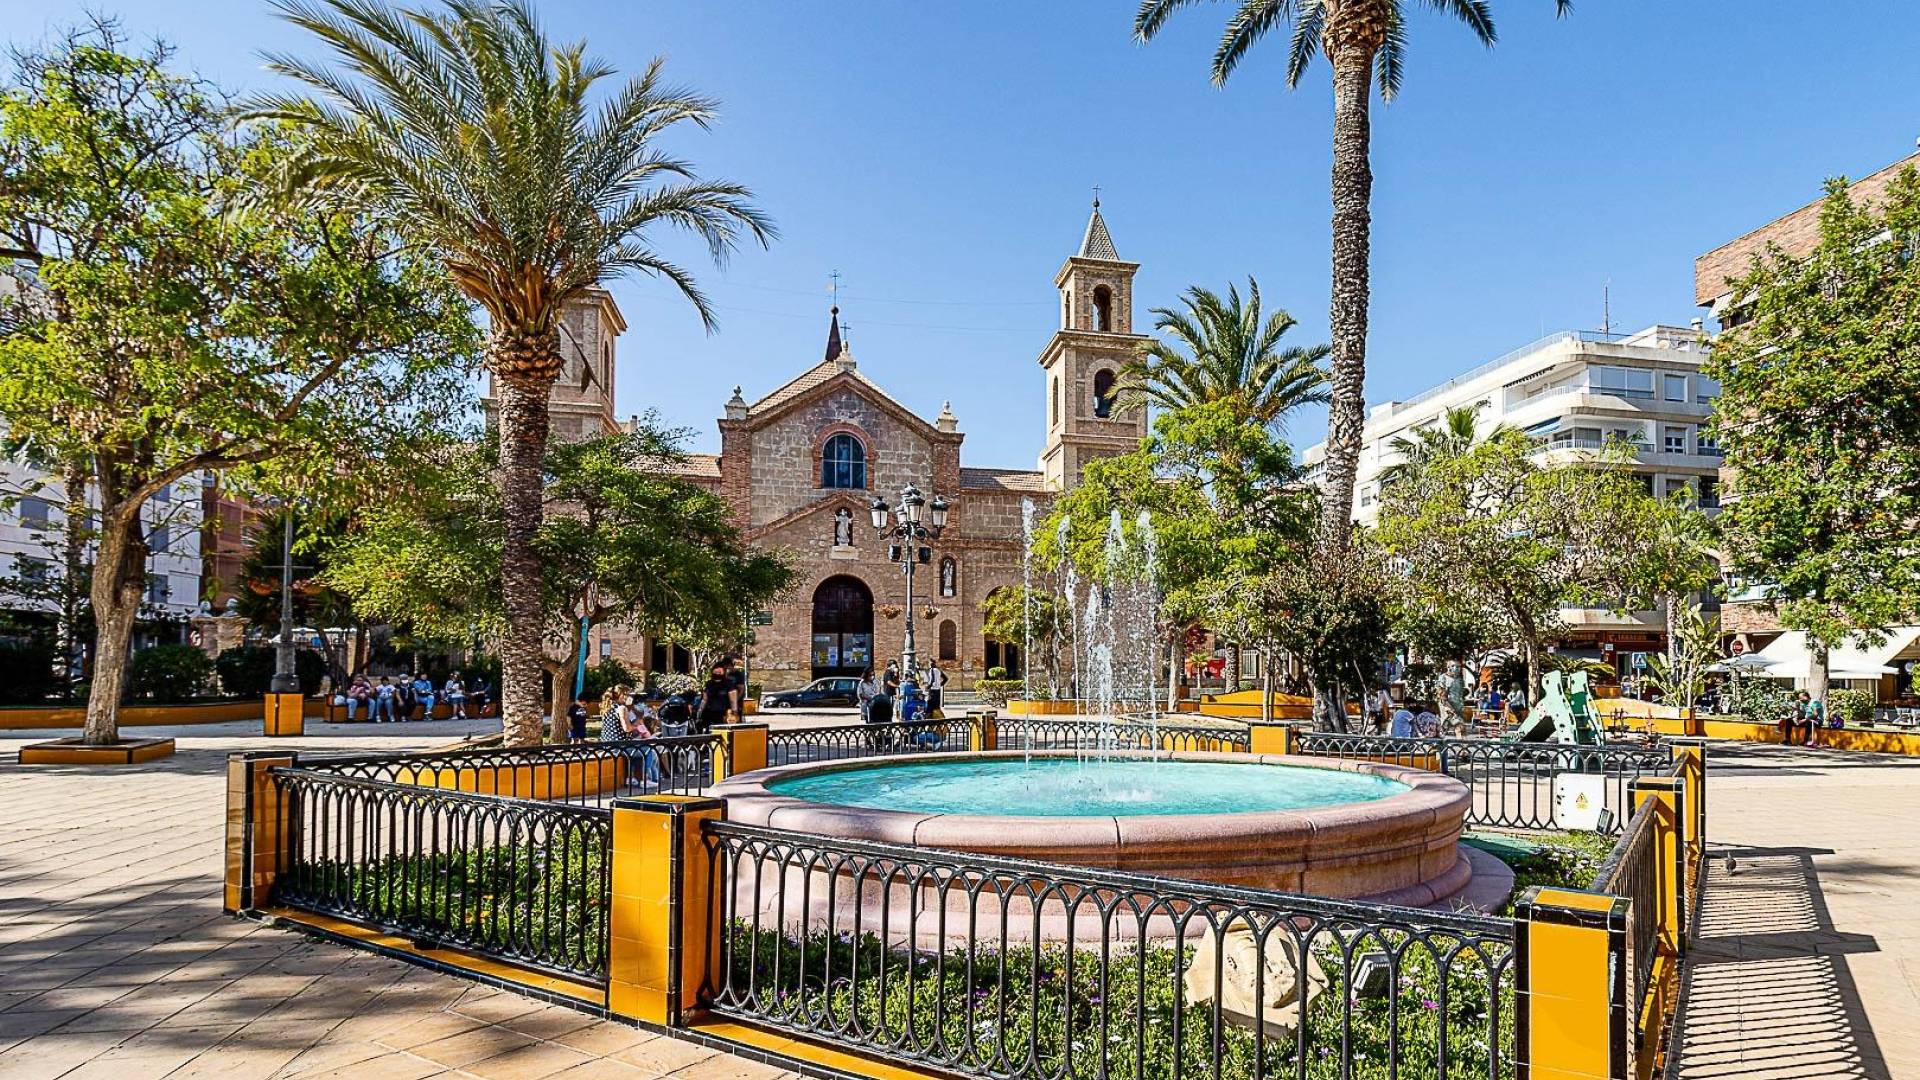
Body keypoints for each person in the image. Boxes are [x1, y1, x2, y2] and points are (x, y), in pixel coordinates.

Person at [699, 663, 739, 732]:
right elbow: (704, 699)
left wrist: (735, 714)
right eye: (716, 672)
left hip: (724, 714)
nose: (717, 673)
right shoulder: (708, 684)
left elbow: (733, 701)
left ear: (724, 672)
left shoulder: (729, 684)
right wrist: (700, 711)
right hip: (709, 714)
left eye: (719, 672)